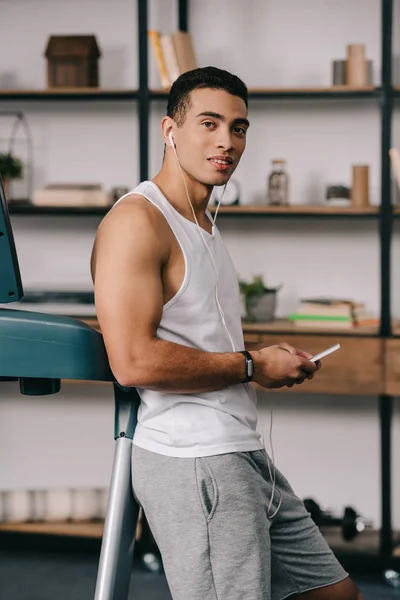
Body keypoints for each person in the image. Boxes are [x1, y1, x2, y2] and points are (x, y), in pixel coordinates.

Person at [90, 66, 362, 600]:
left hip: (241, 452)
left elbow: (203, 335)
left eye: (238, 128)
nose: (227, 141)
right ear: (171, 129)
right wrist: (254, 366)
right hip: (196, 461)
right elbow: (132, 362)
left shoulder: (204, 221)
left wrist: (267, 360)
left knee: (334, 594)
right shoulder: (137, 223)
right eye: (209, 123)